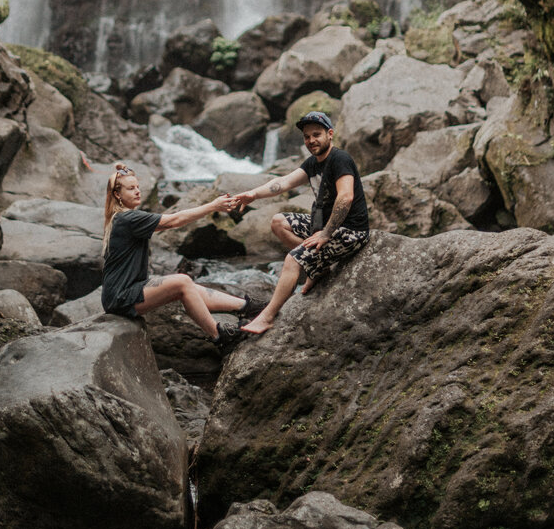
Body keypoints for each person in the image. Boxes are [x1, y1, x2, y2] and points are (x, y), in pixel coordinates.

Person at [229, 111, 369, 335]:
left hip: (350, 230)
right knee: (278, 222)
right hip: (325, 227)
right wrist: (252, 194)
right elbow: (283, 183)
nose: (311, 140)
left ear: (330, 134)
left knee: (293, 259)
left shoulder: (340, 158)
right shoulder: (313, 163)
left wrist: (324, 235)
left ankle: (267, 317)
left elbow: (346, 197)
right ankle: (318, 268)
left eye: (316, 134)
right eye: (307, 137)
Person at [101, 163, 263, 352]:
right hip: (121, 297)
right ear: (117, 195)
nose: (137, 191)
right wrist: (213, 206)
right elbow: (173, 221)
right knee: (182, 281)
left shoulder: (123, 218)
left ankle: (248, 306)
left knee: (189, 287)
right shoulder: (127, 219)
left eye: (138, 187)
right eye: (131, 188)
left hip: (126, 291)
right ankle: (219, 336)